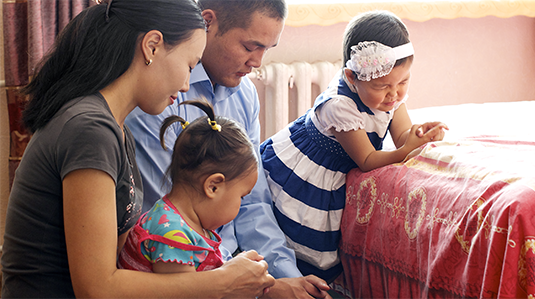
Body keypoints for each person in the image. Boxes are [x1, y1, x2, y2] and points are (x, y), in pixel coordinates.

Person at [1, 0, 275, 298]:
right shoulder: (89, 130)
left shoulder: (114, 128)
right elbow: (96, 289)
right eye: (188, 65)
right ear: (152, 46)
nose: (186, 85)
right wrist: (222, 282)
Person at [125, 0, 331, 298]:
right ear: (208, 22)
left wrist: (284, 276)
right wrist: (264, 286)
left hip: (236, 268)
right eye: (250, 47)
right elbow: (178, 215)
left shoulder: (244, 95)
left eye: (266, 49)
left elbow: (253, 201)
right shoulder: (157, 99)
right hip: (189, 270)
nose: (258, 62)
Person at [260, 10, 449, 281]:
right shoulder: (340, 107)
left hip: (343, 162)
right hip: (311, 171)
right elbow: (368, 160)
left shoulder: (389, 95)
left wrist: (420, 135)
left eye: (403, 82)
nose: (394, 94)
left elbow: (403, 135)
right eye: (382, 86)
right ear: (351, 77)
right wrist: (407, 151)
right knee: (303, 240)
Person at [118, 100, 260, 275]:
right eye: (241, 196)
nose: (240, 204)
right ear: (213, 186)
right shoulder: (172, 235)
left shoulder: (186, 223)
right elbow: (189, 290)